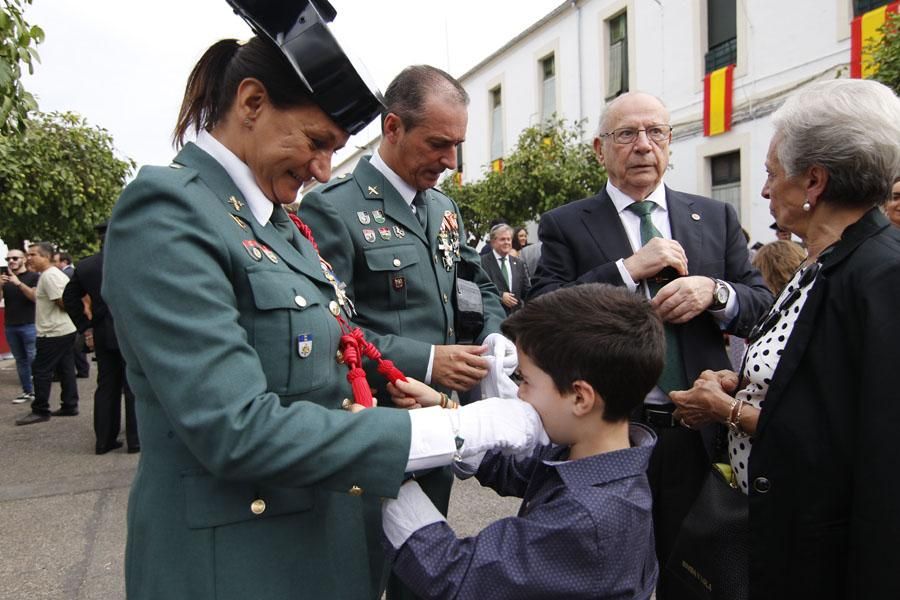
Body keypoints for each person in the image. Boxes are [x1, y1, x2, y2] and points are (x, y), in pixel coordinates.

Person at [99, 7, 544, 599]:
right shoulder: (169, 212)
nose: (323, 168)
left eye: (333, 148)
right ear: (252, 103)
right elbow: (236, 427)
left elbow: (340, 353)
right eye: (315, 142)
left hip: (324, 536)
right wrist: (453, 431)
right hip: (237, 562)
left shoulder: (279, 224)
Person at [528, 91, 772, 598]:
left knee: (693, 573)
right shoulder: (566, 224)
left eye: (656, 132)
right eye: (626, 134)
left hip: (696, 432)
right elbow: (542, 313)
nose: (643, 145)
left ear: (669, 143)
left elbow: (762, 304)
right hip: (612, 435)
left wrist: (715, 291)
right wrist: (624, 271)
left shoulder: (713, 217)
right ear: (599, 149)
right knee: (611, 575)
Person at [669, 78, 900, 600]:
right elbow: (809, 378)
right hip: (776, 529)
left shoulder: (881, 277)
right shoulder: (815, 264)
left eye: (772, 174)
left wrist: (725, 410)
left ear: (814, 181)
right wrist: (743, 381)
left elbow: (864, 447)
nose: (765, 190)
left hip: (822, 554)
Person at [298, 64, 510, 600]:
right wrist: (426, 359)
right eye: (438, 144)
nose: (450, 161)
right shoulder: (335, 206)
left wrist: (492, 336)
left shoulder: (443, 208)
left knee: (424, 569)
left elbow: (476, 284)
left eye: (457, 145)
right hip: (374, 426)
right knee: (365, 571)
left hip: (436, 419)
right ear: (392, 128)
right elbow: (327, 323)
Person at [381, 283, 663, 600]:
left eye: (527, 381)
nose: (520, 393)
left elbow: (456, 576)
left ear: (580, 397)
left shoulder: (588, 519)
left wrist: (382, 464)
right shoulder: (600, 459)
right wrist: (443, 407)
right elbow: (513, 468)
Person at [63, 222, 139, 454]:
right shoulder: (135, 260)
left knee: (106, 386)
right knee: (133, 386)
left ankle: (104, 441)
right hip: (132, 331)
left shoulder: (86, 265)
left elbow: (69, 298)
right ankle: (136, 440)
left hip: (103, 332)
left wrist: (85, 326)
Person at [15, 241, 80, 424]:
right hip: (63, 329)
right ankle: (69, 404)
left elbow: (63, 301)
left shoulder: (50, 276)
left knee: (41, 370)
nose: (29, 258)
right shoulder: (50, 274)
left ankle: (40, 410)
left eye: (33, 255)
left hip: (53, 332)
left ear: (45, 256)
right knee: (66, 368)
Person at [1, 248, 39, 403]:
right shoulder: (5, 280)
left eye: (15, 258)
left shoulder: (33, 276)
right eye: (8, 259)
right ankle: (28, 392)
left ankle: (39, 392)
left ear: (23, 259)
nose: (11, 261)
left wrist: (19, 284)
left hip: (29, 324)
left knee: (33, 359)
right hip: (11, 325)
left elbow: (35, 297)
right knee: (20, 360)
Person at [481, 223, 530, 314]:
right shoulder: (482, 262)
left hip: (515, 319)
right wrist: (500, 296)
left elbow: (527, 291)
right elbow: (479, 287)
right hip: (492, 317)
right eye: (502, 239)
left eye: (509, 239)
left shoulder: (519, 263)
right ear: (493, 242)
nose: (507, 242)